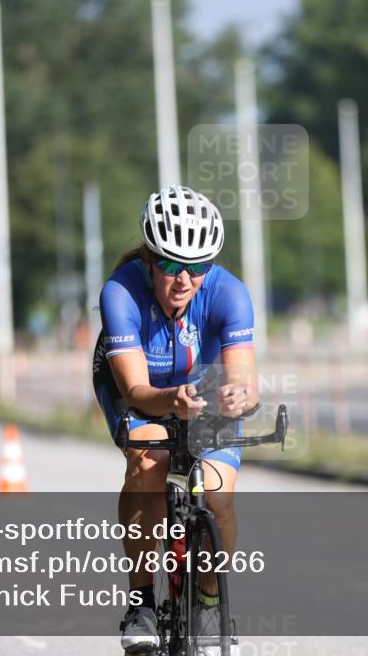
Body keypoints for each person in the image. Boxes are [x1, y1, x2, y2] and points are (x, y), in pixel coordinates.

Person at [93, 185, 258, 653]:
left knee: (217, 493)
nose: (183, 279)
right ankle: (142, 602)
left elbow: (247, 382)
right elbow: (136, 391)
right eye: (169, 264)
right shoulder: (121, 292)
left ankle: (208, 601)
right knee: (148, 463)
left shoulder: (230, 294)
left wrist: (236, 395)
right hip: (144, 390)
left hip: (202, 395)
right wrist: (172, 400)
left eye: (197, 267)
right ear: (149, 258)